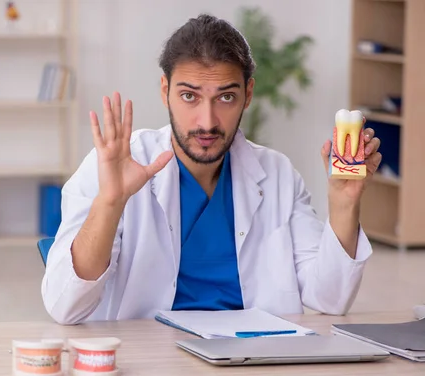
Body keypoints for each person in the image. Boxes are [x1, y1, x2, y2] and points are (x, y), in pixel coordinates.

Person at [41, 13, 381, 325]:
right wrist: (111, 202)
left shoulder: (277, 174)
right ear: (166, 91)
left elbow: (330, 299)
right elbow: (65, 306)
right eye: (190, 96)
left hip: (253, 359)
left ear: (247, 94)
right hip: (149, 361)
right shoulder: (114, 165)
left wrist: (344, 201)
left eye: (226, 97)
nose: (207, 121)